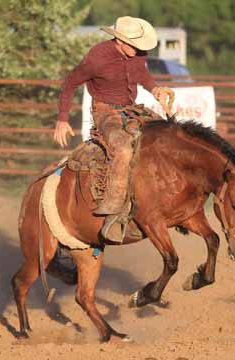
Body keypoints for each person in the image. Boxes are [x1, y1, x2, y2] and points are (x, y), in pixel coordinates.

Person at [53, 16, 174, 242]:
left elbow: (142, 75)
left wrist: (155, 90)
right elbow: (70, 82)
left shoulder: (136, 55)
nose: (139, 50)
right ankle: (114, 211)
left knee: (167, 134)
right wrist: (62, 118)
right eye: (135, 45)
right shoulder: (97, 58)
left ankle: (165, 199)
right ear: (120, 41)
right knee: (123, 149)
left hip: (131, 109)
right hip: (105, 112)